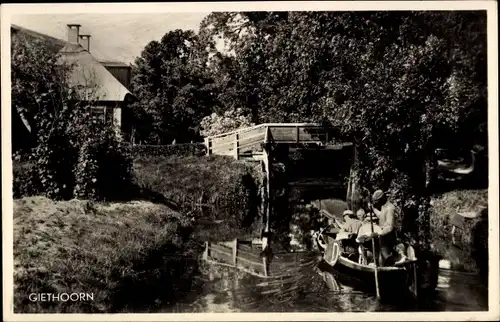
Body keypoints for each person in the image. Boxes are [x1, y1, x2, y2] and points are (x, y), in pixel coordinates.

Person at [368, 189, 405, 266]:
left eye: (376, 201)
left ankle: (390, 271)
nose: (376, 203)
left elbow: (389, 227)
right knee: (382, 256)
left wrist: (377, 233)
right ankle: (382, 270)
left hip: (388, 237)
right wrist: (373, 208)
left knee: (386, 257)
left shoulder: (389, 208)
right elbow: (381, 216)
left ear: (382, 199)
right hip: (383, 236)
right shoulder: (384, 207)